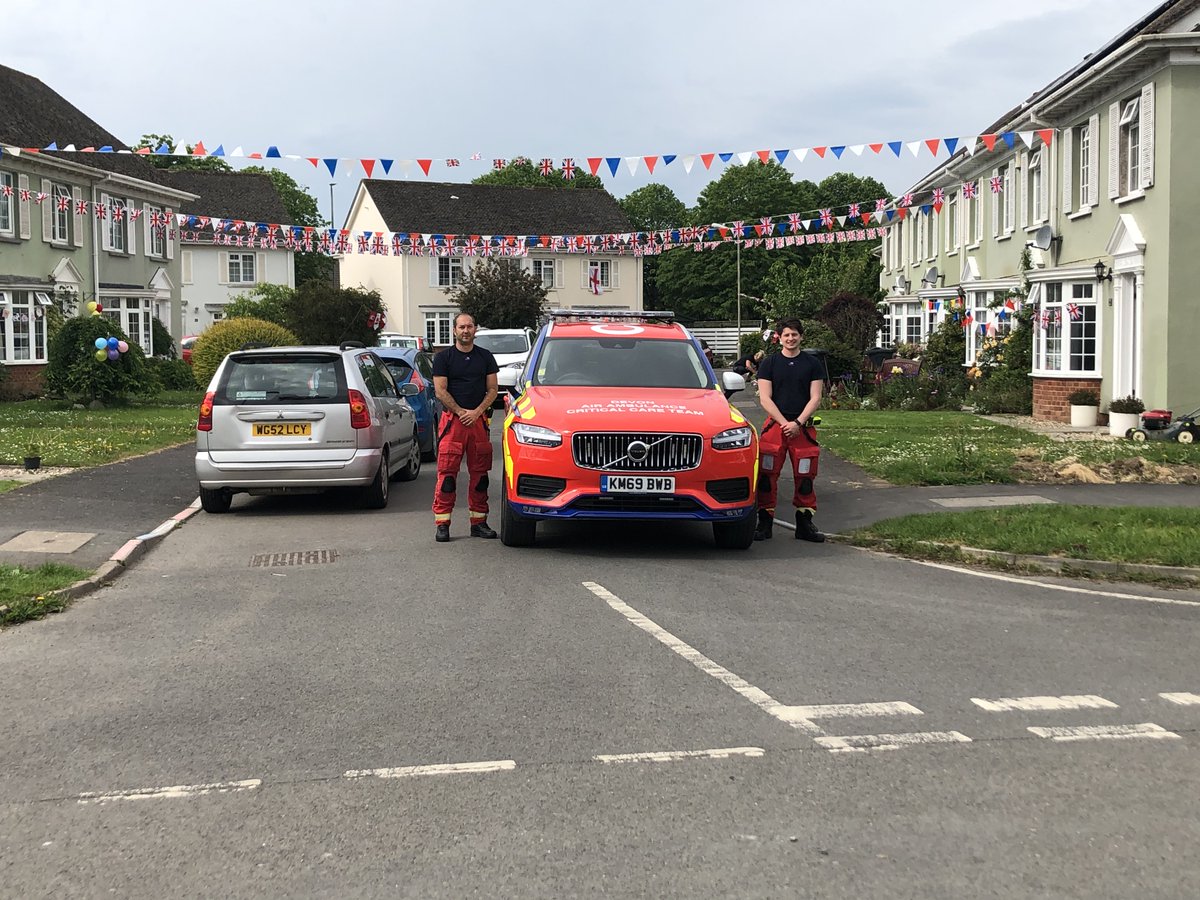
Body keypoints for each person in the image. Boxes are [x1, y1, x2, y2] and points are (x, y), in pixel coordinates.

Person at [753, 319, 825, 543]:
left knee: (805, 477)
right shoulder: (769, 364)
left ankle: (804, 524)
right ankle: (765, 523)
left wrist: (798, 423)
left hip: (802, 429)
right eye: (786, 335)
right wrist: (785, 423)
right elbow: (765, 398)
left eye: (794, 334)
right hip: (776, 426)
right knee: (766, 475)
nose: (791, 338)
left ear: (801, 336)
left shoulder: (812, 364)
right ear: (779, 338)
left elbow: (816, 397)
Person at [431, 313, 499, 542]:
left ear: (475, 329)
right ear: (454, 330)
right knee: (447, 476)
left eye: (469, 326)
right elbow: (440, 390)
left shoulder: (485, 357)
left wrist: (476, 412)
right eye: (461, 327)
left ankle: (478, 523)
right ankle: (443, 523)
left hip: (478, 422)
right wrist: (461, 412)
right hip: (453, 422)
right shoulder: (443, 358)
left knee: (480, 476)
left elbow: (492, 390)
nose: (465, 331)